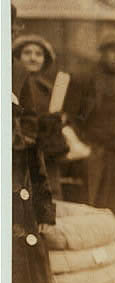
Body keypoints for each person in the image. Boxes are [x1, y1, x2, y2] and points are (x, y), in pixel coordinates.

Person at [11, 4, 72, 283]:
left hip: (12, 170)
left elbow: (32, 128)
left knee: (27, 243)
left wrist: (16, 131)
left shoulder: (19, 73)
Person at [62, 29, 115, 223]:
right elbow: (69, 117)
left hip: (114, 153)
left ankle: (108, 250)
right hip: (90, 151)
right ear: (103, 52)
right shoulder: (84, 78)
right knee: (87, 203)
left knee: (112, 205)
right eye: (113, 51)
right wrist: (80, 145)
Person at [12, 34, 68, 200]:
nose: (33, 58)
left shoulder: (51, 90)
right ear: (17, 57)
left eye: (38, 54)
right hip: (21, 148)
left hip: (45, 152)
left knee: (49, 192)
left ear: (45, 60)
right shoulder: (14, 85)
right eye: (27, 53)